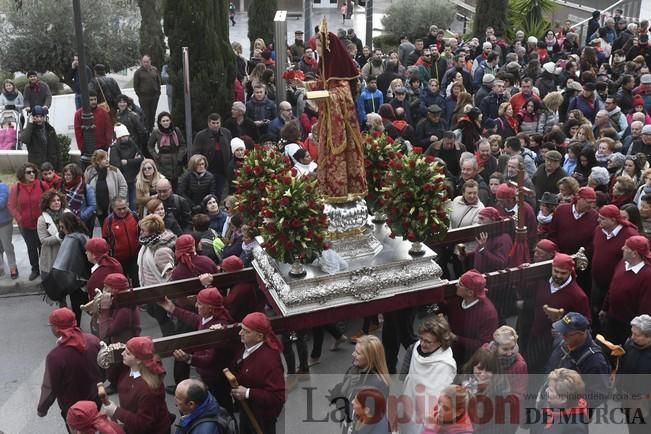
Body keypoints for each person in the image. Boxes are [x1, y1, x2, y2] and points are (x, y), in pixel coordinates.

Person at [292, 27, 367, 201]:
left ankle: (342, 193)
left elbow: (343, 96)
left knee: (342, 158)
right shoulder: (327, 66)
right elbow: (323, 84)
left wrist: (327, 96)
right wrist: (303, 84)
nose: (317, 49)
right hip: (329, 122)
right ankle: (329, 191)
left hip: (342, 126)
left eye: (319, 46)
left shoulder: (339, 70)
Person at [159, 287, 238, 412]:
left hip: (215, 379)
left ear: (210, 309)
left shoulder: (216, 329)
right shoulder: (209, 318)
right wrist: (173, 309)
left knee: (221, 407)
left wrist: (189, 359)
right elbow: (196, 319)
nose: (196, 305)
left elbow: (209, 360)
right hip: (209, 376)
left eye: (200, 304)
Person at [37, 308, 101, 426]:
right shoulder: (93, 341)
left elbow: (50, 387)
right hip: (96, 401)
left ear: (56, 329)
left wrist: (42, 408)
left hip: (73, 409)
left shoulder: (55, 356)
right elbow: (104, 367)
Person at [398, 316, 456, 434]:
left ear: (440, 342)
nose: (423, 344)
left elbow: (439, 395)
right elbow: (406, 368)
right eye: (421, 339)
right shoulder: (415, 347)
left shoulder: (446, 365)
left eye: (428, 342)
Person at [101, 336, 171, 434]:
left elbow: (144, 424)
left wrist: (116, 411)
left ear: (138, 360)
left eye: (127, 353)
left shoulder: (148, 390)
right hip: (133, 423)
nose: (122, 354)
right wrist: (112, 358)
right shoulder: (129, 368)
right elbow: (114, 379)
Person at [231, 312, 286, 434]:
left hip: (261, 419)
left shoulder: (270, 362)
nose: (240, 333)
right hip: (247, 411)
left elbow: (278, 397)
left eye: (246, 331)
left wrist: (248, 393)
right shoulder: (246, 346)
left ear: (259, 336)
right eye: (241, 329)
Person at [545, 312, 610, 408]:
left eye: (567, 333)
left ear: (581, 334)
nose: (562, 335)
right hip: (550, 401)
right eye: (561, 331)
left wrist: (569, 404)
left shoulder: (595, 361)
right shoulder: (562, 341)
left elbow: (597, 395)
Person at [600, 236, 651, 345]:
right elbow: (613, 287)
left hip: (629, 326)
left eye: (626, 247)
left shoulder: (647, 276)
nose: (622, 248)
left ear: (634, 253)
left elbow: (645, 307)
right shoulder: (623, 263)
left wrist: (637, 330)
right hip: (612, 318)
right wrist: (605, 308)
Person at [443, 269, 499, 366]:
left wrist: (456, 338)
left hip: (472, 361)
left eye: (460, 284)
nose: (456, 285)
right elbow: (446, 308)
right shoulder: (458, 299)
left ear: (470, 293)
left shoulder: (488, 313)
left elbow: (484, 344)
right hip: (454, 352)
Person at [8, 162, 49, 281]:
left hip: (41, 223)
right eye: (28, 172)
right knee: (31, 248)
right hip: (25, 224)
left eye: (33, 172)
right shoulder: (17, 187)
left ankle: (45, 269)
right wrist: (19, 217)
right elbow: (11, 205)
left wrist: (46, 216)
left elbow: (49, 200)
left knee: (43, 247)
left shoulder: (42, 185)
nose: (32, 174)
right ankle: (35, 269)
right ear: (22, 174)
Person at [137, 214, 176, 336]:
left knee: (164, 321)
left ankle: (171, 344)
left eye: (143, 230)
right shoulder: (148, 244)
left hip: (159, 294)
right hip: (151, 291)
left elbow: (169, 276)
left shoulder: (161, 251)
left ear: (152, 232)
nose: (141, 233)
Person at [617, 315, 651, 434]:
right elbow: (622, 368)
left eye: (636, 335)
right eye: (632, 333)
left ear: (649, 337)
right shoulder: (629, 344)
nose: (632, 337)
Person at [530, 368, 589, 434]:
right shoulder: (548, 404)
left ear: (563, 399)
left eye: (551, 390)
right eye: (548, 387)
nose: (546, 390)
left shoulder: (575, 428)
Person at [191, 113, 233, 199]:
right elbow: (196, 153)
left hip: (222, 170)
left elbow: (230, 149)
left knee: (220, 192)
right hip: (208, 170)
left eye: (217, 123)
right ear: (209, 123)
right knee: (208, 193)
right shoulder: (201, 135)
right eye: (213, 123)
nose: (215, 125)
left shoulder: (226, 133)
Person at [85, 150, 128, 228]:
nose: (107, 160)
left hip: (112, 206)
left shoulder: (114, 170)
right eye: (104, 159)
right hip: (97, 207)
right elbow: (85, 187)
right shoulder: (89, 171)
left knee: (113, 227)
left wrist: (119, 200)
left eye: (107, 158)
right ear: (97, 161)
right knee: (103, 227)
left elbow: (123, 185)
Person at [98, 273, 141, 344]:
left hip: (125, 348)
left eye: (106, 287)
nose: (103, 290)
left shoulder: (124, 310)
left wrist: (104, 310)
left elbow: (104, 333)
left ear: (114, 289)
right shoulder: (122, 302)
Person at [147, 112, 186, 190]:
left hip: (176, 160)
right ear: (160, 122)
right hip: (162, 161)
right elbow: (150, 146)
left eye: (167, 120)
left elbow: (183, 145)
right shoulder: (156, 132)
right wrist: (156, 156)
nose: (165, 123)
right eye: (163, 121)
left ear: (170, 121)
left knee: (176, 185)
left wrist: (180, 156)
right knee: (165, 184)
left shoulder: (176, 130)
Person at [110, 124, 144, 211]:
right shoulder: (114, 148)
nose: (126, 138)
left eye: (126, 135)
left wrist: (127, 162)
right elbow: (116, 164)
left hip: (134, 177)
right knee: (126, 201)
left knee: (133, 201)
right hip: (123, 179)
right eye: (123, 136)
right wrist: (133, 160)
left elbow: (141, 158)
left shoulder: (132, 143)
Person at [36, 190, 68, 281]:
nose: (57, 202)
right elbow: (43, 240)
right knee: (54, 287)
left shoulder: (68, 214)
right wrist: (59, 236)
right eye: (53, 201)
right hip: (51, 255)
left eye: (58, 200)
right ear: (47, 203)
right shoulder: (42, 219)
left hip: (67, 253)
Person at [21, 105, 60, 170]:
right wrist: (30, 123)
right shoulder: (29, 130)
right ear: (32, 117)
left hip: (50, 165)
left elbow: (57, 149)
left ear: (44, 117)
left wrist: (59, 168)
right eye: (36, 116)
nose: (39, 119)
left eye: (41, 116)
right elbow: (24, 140)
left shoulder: (50, 129)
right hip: (36, 166)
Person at [133, 55, 162, 132]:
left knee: (153, 113)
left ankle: (152, 129)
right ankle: (147, 131)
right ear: (142, 62)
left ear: (150, 61)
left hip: (154, 96)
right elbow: (136, 85)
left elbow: (158, 81)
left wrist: (158, 92)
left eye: (147, 62)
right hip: (144, 97)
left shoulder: (154, 69)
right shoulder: (138, 72)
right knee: (146, 114)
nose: (145, 63)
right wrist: (139, 94)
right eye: (144, 62)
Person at [0, 177, 16, 279]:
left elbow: (1, 203)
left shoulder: (3, 187)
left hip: (4, 222)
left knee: (7, 247)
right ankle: (1, 267)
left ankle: (12, 267)